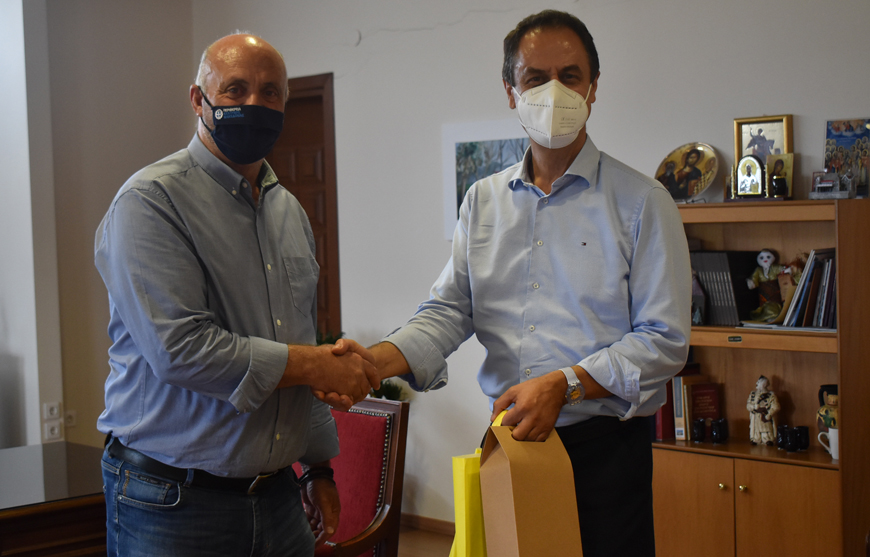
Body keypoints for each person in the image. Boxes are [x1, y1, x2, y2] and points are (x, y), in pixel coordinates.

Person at [329, 10, 691, 556]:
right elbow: (450, 311)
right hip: (511, 444)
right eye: (535, 78)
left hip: (606, 455)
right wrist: (374, 363)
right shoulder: (483, 200)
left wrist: (566, 384)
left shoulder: (643, 203)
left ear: (593, 88)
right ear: (510, 91)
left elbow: (665, 340)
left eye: (570, 76)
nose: (553, 92)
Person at [94, 33, 379, 557]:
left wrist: (317, 467)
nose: (254, 103)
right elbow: (181, 350)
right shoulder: (150, 202)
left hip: (278, 498)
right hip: (172, 503)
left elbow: (298, 341)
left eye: (270, 93)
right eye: (235, 89)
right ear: (198, 99)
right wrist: (314, 363)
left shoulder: (289, 212)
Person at [747, 375, 779, 445]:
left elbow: (776, 406)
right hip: (755, 417)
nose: (756, 383)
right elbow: (748, 405)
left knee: (766, 429)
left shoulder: (771, 395)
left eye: (758, 382)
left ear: (763, 384)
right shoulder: (753, 394)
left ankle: (767, 440)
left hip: (765, 416)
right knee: (756, 430)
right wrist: (754, 407)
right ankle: (756, 439)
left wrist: (769, 414)